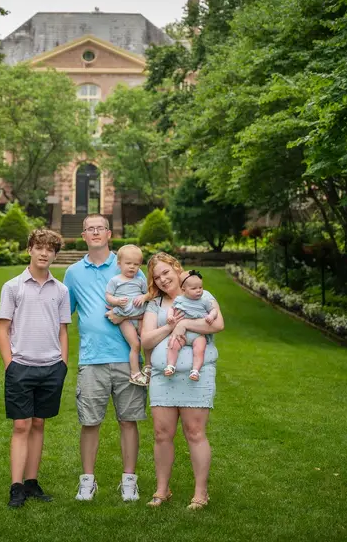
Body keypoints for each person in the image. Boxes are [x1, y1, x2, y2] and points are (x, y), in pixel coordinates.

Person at [63, 215, 147, 502]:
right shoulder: (73, 273)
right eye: (90, 229)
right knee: (90, 422)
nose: (95, 232)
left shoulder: (129, 264)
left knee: (128, 420)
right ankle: (87, 482)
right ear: (83, 235)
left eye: (100, 228)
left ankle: (129, 482)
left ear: (109, 234)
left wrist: (124, 316)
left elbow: (146, 309)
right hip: (92, 358)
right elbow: (65, 314)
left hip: (127, 358)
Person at [141, 252, 224, 510]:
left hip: (195, 376)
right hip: (162, 377)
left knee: (195, 433)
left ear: (177, 269)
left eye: (166, 272)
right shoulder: (155, 305)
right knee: (161, 434)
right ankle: (162, 490)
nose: (164, 279)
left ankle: (201, 494)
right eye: (157, 276)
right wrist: (170, 327)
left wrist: (185, 323)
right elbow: (146, 340)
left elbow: (217, 324)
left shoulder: (200, 294)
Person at [0, 229, 71, 508]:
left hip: (52, 367)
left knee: (39, 424)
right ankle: (16, 487)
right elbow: (3, 329)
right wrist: (10, 365)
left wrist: (62, 364)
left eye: (50, 250)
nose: (44, 253)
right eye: (39, 247)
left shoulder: (61, 290)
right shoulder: (13, 287)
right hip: (21, 367)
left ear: (54, 255)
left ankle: (31, 483)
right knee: (21, 425)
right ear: (29, 249)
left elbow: (63, 330)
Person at [105, 244, 151, 387]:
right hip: (124, 318)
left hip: (140, 316)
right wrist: (117, 301)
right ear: (119, 264)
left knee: (146, 340)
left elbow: (149, 293)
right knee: (135, 344)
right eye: (128, 263)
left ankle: (148, 366)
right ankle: (135, 373)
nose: (132, 267)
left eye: (136, 264)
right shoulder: (115, 281)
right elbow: (108, 296)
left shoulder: (140, 280)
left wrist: (144, 298)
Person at [164, 270, 219, 381]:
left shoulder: (204, 301)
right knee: (173, 345)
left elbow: (214, 310)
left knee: (199, 350)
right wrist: (170, 316)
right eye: (194, 289)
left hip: (198, 334)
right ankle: (170, 365)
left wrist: (211, 316)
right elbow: (172, 308)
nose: (198, 291)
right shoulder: (179, 300)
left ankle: (195, 371)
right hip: (182, 333)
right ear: (184, 290)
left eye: (200, 287)